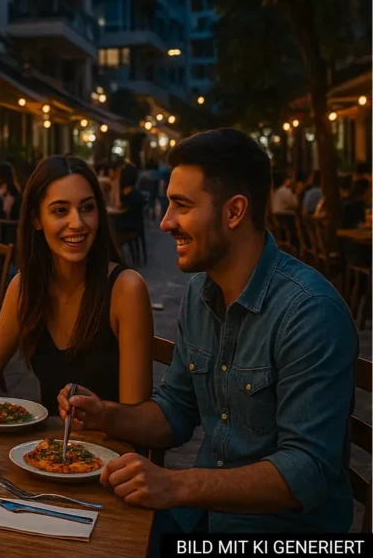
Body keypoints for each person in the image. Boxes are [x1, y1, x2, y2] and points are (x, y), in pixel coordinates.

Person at [59, 129, 356, 538]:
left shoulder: (310, 312)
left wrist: (176, 484)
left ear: (234, 212)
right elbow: (176, 410)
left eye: (181, 205)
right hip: (199, 518)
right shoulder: (201, 290)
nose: (165, 222)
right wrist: (106, 414)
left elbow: (308, 470)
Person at [0, 156, 153, 414]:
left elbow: (136, 414)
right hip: (46, 449)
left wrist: (101, 415)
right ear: (36, 219)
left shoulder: (126, 289)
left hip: (113, 449)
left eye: (87, 208)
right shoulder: (26, 285)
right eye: (60, 210)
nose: (77, 223)